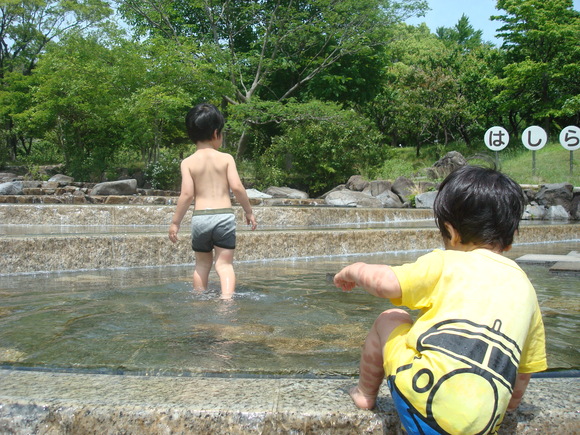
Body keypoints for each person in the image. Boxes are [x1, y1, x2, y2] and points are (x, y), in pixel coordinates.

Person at [334, 165, 547, 435]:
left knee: (391, 318)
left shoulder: (446, 262)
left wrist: (353, 269)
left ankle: (364, 393)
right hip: (484, 420)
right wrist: (510, 408)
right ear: (511, 238)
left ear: (451, 231)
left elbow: (386, 283)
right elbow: (524, 369)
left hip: (422, 403)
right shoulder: (525, 288)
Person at [169, 103, 257, 299]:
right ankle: (227, 301)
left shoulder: (187, 162)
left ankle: (199, 301)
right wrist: (248, 211)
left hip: (200, 218)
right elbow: (237, 187)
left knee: (201, 264)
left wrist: (175, 222)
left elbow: (186, 195)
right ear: (216, 133)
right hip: (223, 217)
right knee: (224, 264)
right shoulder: (226, 158)